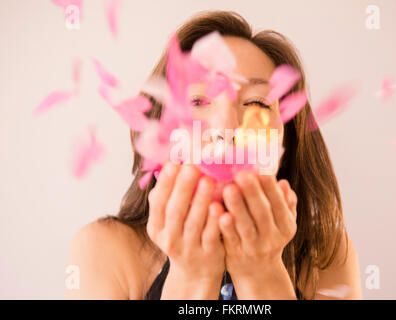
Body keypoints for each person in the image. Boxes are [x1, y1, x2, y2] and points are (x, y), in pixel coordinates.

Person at [64, 10, 362, 300]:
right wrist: (192, 277)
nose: (226, 127)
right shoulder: (103, 250)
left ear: (288, 142)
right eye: (199, 99)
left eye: (257, 103)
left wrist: (261, 275)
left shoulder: (326, 256)